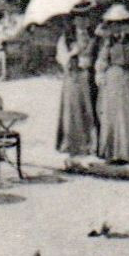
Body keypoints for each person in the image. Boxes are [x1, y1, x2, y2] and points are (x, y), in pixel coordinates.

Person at [93, 6, 129, 164]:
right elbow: (102, 61)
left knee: (128, 114)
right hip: (113, 78)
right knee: (112, 114)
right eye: (114, 24)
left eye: (121, 23)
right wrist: (100, 74)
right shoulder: (107, 42)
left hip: (128, 78)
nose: (117, 27)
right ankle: (112, 152)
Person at [55, 10, 99, 158]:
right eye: (79, 18)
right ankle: (73, 144)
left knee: (90, 109)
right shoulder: (67, 38)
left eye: (85, 18)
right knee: (73, 109)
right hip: (73, 76)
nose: (83, 21)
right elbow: (61, 58)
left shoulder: (94, 36)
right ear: (74, 21)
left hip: (90, 75)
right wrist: (73, 53)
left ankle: (91, 144)